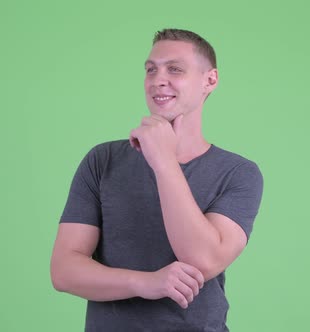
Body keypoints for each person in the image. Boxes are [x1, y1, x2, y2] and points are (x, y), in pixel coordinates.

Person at [50, 28, 264, 332]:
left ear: (210, 80)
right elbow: (64, 271)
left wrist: (163, 160)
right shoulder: (102, 161)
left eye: (175, 69)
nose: (157, 79)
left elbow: (203, 260)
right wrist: (146, 282)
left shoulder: (238, 173)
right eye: (151, 69)